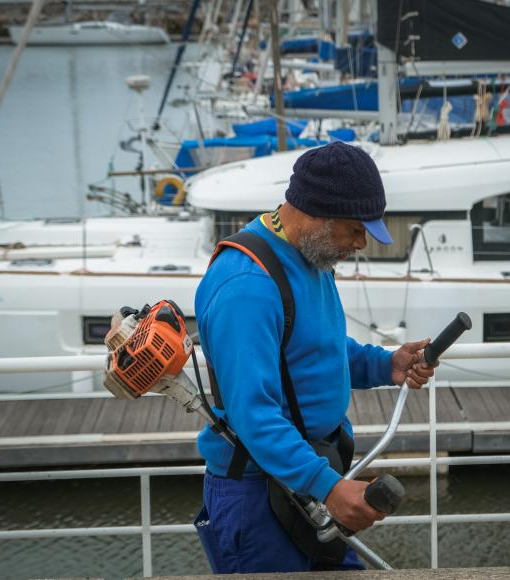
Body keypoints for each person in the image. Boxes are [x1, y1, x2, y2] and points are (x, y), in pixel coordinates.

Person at [193, 141, 436, 573]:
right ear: (316, 215)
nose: (361, 243)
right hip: (259, 495)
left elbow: (313, 349)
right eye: (355, 229)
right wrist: (328, 487)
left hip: (306, 477)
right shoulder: (247, 286)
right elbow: (255, 415)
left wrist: (385, 364)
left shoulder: (310, 256)